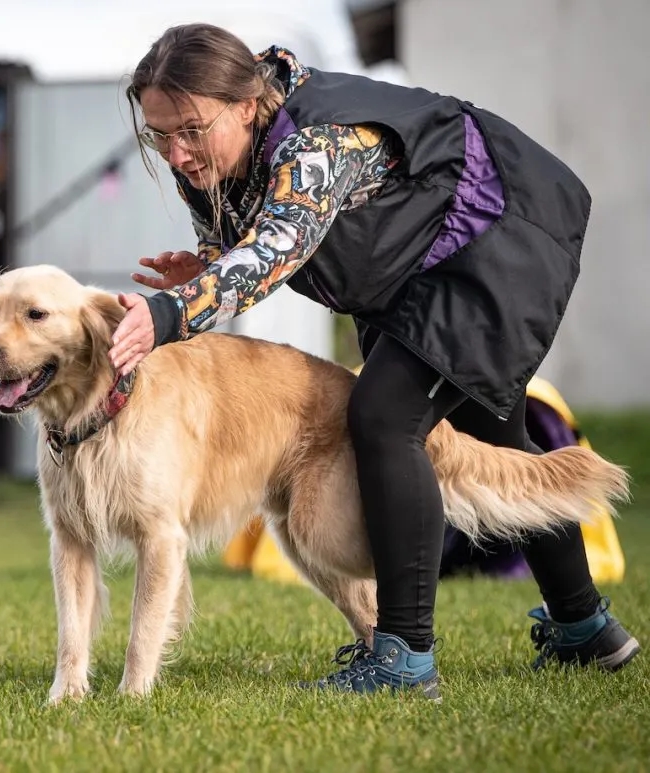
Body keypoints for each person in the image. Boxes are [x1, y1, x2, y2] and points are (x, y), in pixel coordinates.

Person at [106, 23, 640, 697]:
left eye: (189, 129)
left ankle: (404, 656)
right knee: (491, 438)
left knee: (385, 415)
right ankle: (586, 629)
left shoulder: (318, 142)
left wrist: (168, 313)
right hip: (414, 271)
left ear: (245, 104)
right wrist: (210, 265)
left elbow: (276, 247)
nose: (177, 153)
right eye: (159, 135)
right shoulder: (213, 158)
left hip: (494, 233)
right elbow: (260, 242)